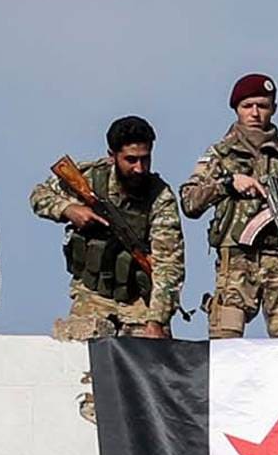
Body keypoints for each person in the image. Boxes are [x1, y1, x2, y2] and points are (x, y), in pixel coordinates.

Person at [179, 75, 278, 338]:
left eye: (262, 105)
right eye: (248, 106)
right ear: (237, 108)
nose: (255, 113)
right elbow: (190, 201)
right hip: (235, 260)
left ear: (274, 108)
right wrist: (227, 183)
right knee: (225, 342)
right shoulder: (219, 154)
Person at [27, 115, 182, 341]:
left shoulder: (160, 197)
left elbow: (169, 264)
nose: (139, 168)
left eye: (145, 159)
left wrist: (156, 321)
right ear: (112, 156)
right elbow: (39, 196)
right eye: (131, 160)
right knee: (78, 363)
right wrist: (69, 209)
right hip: (91, 296)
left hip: (138, 302)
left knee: (153, 365)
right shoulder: (89, 178)